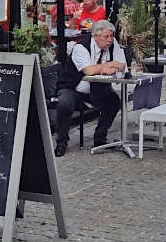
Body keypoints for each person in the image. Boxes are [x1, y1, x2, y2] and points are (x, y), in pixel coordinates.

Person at [52, 20, 127, 155]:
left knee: (114, 102)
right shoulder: (81, 47)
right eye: (106, 37)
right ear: (95, 36)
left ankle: (99, 137)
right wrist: (109, 65)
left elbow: (122, 65)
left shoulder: (112, 44)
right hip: (73, 87)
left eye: (111, 36)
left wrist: (115, 67)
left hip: (97, 88)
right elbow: (89, 71)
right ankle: (61, 142)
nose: (110, 40)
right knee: (64, 104)